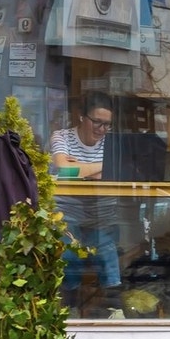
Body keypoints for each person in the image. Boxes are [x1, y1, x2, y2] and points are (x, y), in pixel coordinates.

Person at [49, 92, 122, 310]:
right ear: (82, 117)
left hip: (103, 215)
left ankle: (113, 311)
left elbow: (124, 172)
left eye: (107, 125)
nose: (102, 130)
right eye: (97, 122)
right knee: (69, 257)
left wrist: (80, 168)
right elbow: (64, 168)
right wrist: (105, 167)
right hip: (67, 214)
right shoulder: (61, 137)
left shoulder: (114, 142)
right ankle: (69, 311)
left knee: (108, 256)